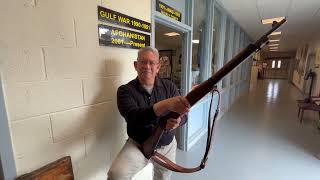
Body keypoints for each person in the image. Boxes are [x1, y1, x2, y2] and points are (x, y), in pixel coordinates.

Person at [107, 46, 190, 180]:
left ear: (158, 67)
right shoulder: (125, 91)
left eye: (152, 63)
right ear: (136, 65)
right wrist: (165, 104)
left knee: (163, 178)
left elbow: (185, 116)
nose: (147, 66)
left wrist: (179, 121)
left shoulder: (169, 86)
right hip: (138, 145)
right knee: (116, 175)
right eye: (143, 62)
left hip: (167, 145)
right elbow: (134, 117)